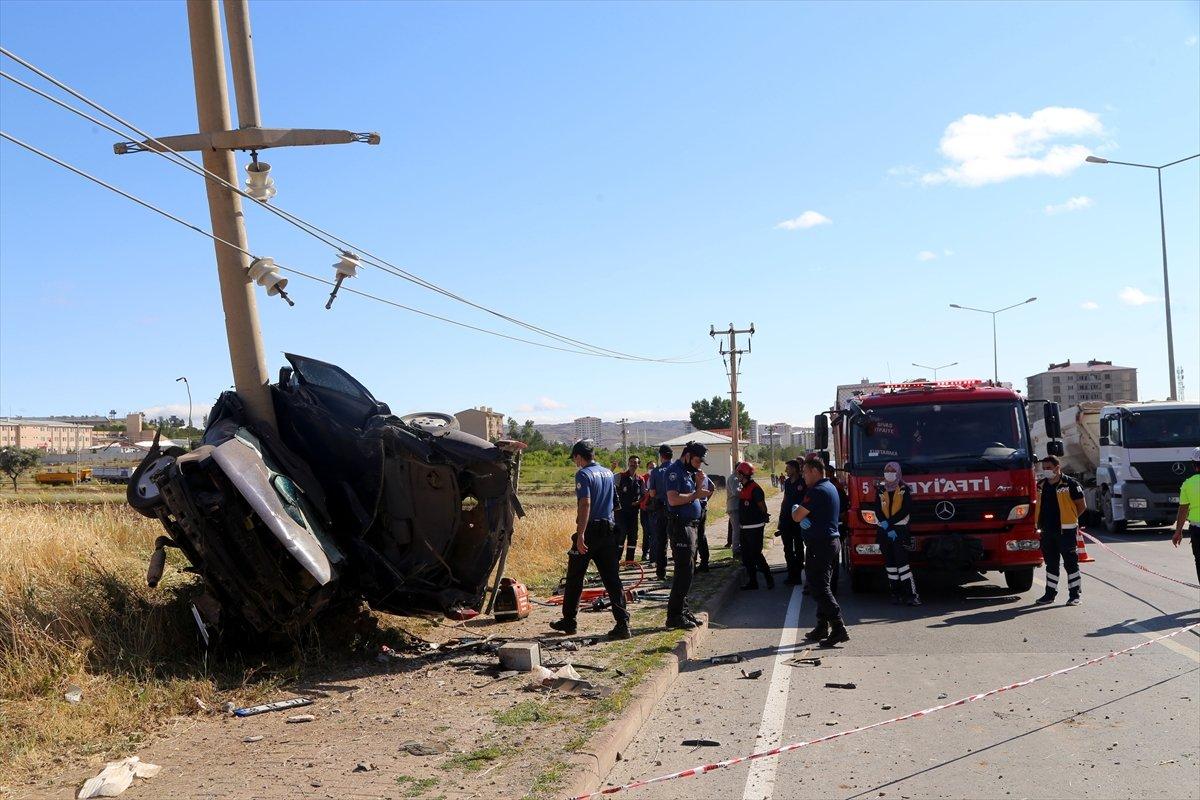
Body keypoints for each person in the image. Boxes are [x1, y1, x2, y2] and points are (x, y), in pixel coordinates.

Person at [550, 440, 631, 640]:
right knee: (612, 579)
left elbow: (585, 504)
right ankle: (623, 624)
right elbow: (615, 505)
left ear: (579, 456)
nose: (575, 462)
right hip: (608, 530)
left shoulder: (583, 474)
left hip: (591, 531)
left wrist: (581, 533)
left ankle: (569, 621)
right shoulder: (607, 473)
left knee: (575, 577)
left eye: (575, 458)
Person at [791, 456, 849, 647]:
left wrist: (795, 511)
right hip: (830, 541)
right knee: (823, 584)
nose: (804, 476)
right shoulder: (830, 486)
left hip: (820, 544)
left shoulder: (816, 491)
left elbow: (798, 516)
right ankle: (821, 626)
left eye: (806, 472)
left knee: (818, 586)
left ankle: (838, 627)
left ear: (815, 471)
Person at [664, 441, 714, 630]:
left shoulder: (689, 473)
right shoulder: (674, 471)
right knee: (683, 572)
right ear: (687, 456)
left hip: (691, 526)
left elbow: (699, 495)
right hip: (680, 526)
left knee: (689, 571)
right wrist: (695, 494)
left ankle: (682, 610)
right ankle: (674, 616)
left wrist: (699, 485)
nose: (699, 464)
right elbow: (673, 499)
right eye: (697, 460)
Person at [1035, 454, 1087, 606]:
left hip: (1066, 531)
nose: (1046, 471)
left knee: (1070, 564)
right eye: (1044, 469)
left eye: (1049, 468)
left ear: (1057, 468)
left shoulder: (1070, 483)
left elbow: (1081, 505)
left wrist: (1071, 518)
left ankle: (1074, 595)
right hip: (1046, 531)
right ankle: (1049, 595)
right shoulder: (1041, 485)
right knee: (1051, 564)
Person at [873, 461, 920, 605]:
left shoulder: (904, 489)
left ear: (898, 472)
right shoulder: (881, 489)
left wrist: (891, 523)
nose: (889, 472)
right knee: (890, 565)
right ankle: (896, 593)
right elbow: (878, 510)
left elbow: (906, 509)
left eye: (892, 470)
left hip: (899, 531)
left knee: (903, 565)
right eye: (887, 470)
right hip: (885, 531)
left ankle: (911, 595)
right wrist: (886, 526)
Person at [735, 462, 774, 589]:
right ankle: (753, 582)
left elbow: (762, 507)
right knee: (746, 557)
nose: (737, 476)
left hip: (755, 528)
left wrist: (763, 517)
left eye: (738, 473)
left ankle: (769, 579)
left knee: (756, 554)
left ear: (743, 474)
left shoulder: (755, 489)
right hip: (744, 528)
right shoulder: (743, 487)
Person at [1171, 447, 1200, 581]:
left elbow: (1183, 510)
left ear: (1194, 466)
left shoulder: (1188, 484)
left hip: (1197, 531)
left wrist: (1178, 531)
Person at [775, 459, 805, 586]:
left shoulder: (803, 482)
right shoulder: (787, 482)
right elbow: (785, 500)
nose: (786, 470)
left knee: (798, 547)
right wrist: (781, 518)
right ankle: (790, 574)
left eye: (788, 468)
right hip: (787, 520)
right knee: (787, 548)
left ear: (794, 469)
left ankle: (798, 574)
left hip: (798, 520)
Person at [646, 445, 674, 580]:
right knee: (677, 539)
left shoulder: (655, 472)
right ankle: (679, 571)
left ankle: (660, 572)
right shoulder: (677, 468)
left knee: (661, 541)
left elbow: (652, 493)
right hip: (675, 508)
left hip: (661, 508)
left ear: (661, 456)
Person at [614, 455, 644, 562]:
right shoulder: (620, 476)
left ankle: (629, 562)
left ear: (638, 464)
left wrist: (639, 502)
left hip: (633, 513)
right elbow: (608, 482)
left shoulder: (640, 479)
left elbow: (644, 494)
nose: (633, 464)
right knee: (620, 537)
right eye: (631, 462)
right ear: (628, 463)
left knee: (632, 537)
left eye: (635, 462)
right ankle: (616, 562)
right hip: (620, 513)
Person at [696, 472, 715, 572]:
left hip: (696, 506)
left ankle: (694, 564)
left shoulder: (693, 474)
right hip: (703, 505)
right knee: (701, 535)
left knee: (695, 536)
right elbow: (712, 486)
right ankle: (704, 562)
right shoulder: (704, 474)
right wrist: (707, 499)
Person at [638, 466, 653, 561]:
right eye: (650, 467)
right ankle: (645, 553)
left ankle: (654, 553)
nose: (652, 468)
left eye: (654, 467)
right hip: (644, 509)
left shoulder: (658, 477)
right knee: (646, 532)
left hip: (654, 509)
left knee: (655, 532)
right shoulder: (643, 478)